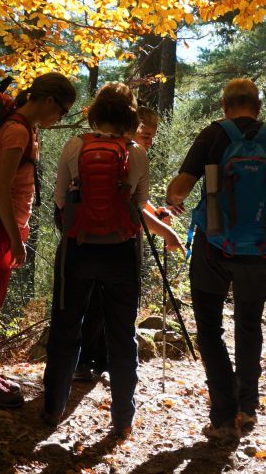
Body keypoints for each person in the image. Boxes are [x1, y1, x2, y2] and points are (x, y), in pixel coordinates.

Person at [166, 77, 266, 441]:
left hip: (213, 247)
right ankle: (247, 408)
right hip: (261, 249)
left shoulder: (212, 136)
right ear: (258, 106)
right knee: (249, 326)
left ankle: (222, 415)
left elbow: (178, 190)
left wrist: (177, 199)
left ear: (225, 107)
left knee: (210, 328)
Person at [41, 83, 149, 436]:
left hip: (78, 249)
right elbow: (140, 204)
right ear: (130, 117)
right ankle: (122, 420)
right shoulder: (136, 153)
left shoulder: (75, 146)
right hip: (120, 252)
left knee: (65, 331)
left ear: (96, 113)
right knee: (121, 335)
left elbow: (59, 199)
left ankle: (52, 411)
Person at [0, 72, 77, 408]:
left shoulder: (23, 128)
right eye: (61, 110)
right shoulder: (16, 132)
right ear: (46, 100)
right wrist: (16, 240)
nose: (60, 118)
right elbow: (1, 188)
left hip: (4, 227)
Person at [74, 104, 183, 383]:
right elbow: (132, 204)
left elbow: (140, 203)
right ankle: (91, 361)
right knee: (103, 304)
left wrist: (157, 212)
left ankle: (96, 361)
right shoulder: (128, 154)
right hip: (114, 241)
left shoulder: (128, 154)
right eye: (146, 134)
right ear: (132, 129)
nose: (150, 140)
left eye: (153, 135)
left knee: (102, 303)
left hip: (98, 238)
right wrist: (165, 232)